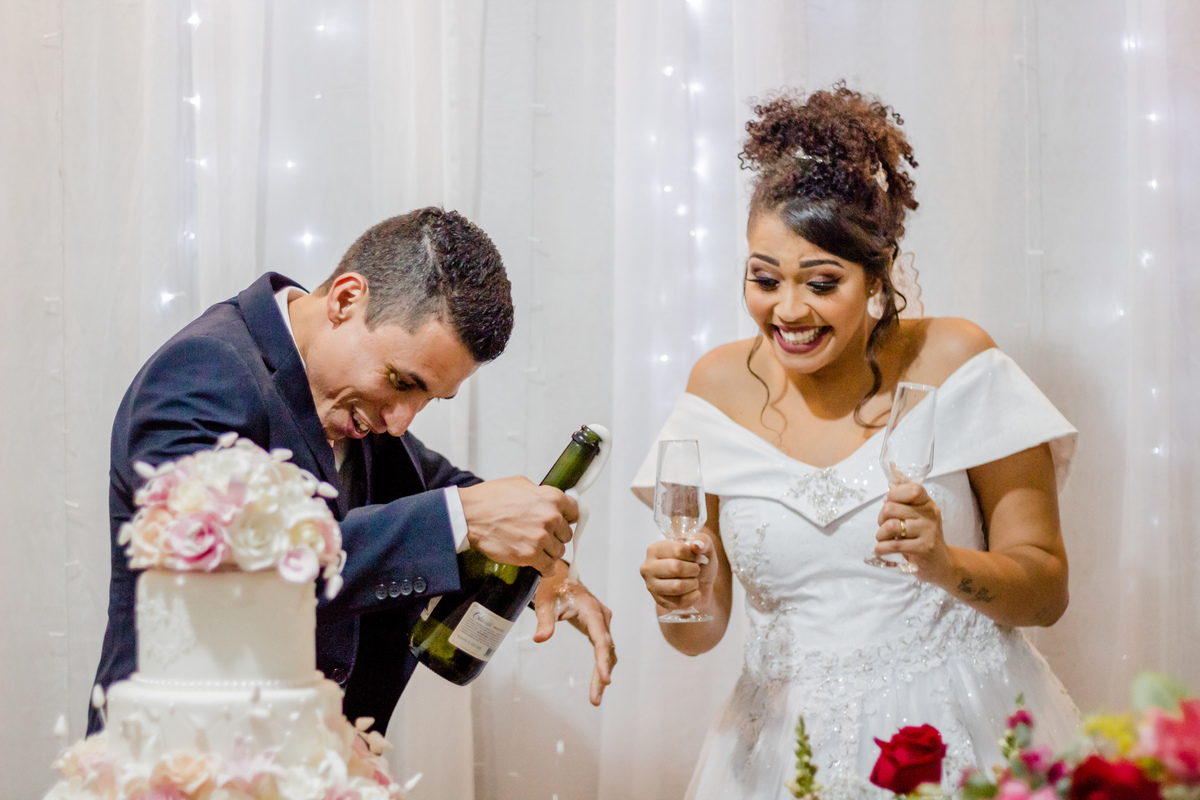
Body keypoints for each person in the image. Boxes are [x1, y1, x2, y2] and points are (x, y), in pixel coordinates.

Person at [633, 86, 1079, 799]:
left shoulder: (957, 362)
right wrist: (678, 597)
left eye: (821, 283)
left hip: (959, 735)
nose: (788, 311)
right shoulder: (715, 387)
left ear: (877, 275)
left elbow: (1046, 591)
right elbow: (700, 631)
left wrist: (944, 563)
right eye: (764, 278)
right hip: (782, 753)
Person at [91, 207, 616, 736]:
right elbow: (227, 572)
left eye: (430, 398)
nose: (400, 422)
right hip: (183, 751)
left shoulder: (353, 405)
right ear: (345, 300)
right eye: (402, 382)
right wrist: (459, 520)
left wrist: (548, 566)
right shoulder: (204, 370)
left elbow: (437, 486)